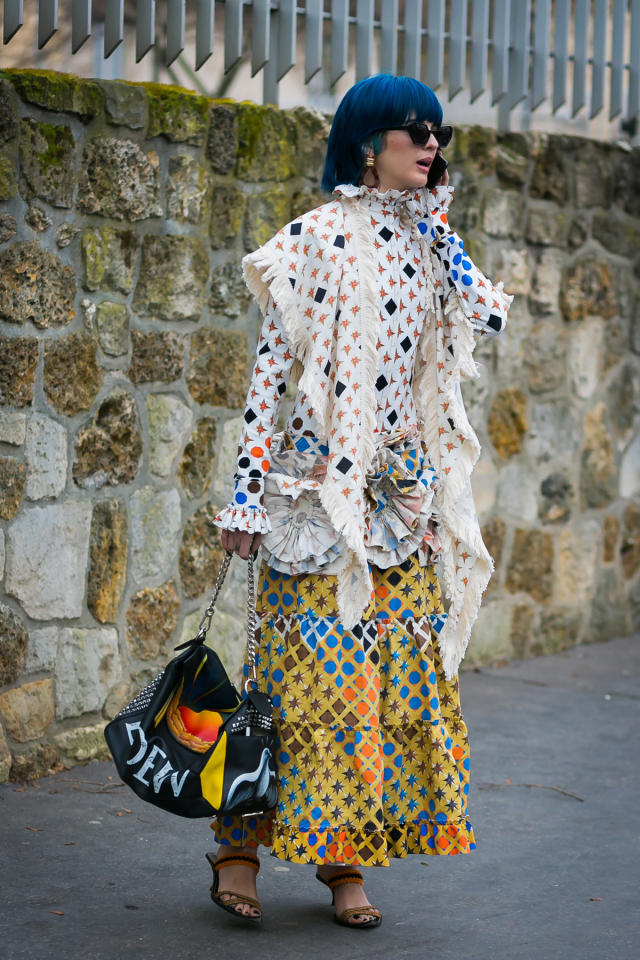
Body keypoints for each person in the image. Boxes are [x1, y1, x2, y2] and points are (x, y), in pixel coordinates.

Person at [208, 73, 512, 928]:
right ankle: (237, 850)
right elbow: (268, 375)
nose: (432, 146)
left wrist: (441, 235)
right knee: (298, 688)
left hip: (401, 505)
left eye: (438, 134)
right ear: (367, 142)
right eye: (415, 132)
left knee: (382, 684)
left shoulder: (429, 243)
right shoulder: (312, 238)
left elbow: (485, 319)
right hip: (316, 502)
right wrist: (245, 499)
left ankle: (346, 861)